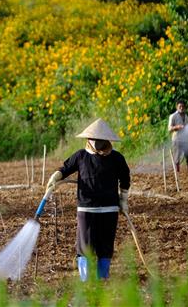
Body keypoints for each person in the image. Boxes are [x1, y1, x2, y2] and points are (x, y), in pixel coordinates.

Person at [45, 118, 130, 281]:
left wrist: (123, 199)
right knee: (85, 244)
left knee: (105, 244)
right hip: (86, 209)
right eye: (94, 139)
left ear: (107, 141)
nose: (96, 142)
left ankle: (102, 277)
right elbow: (66, 168)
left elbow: (125, 178)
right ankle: (86, 279)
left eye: (100, 140)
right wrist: (55, 177)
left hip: (109, 209)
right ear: (88, 139)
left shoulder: (116, 158)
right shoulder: (81, 156)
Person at [168, 100, 188, 172]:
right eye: (180, 106)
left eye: (183, 106)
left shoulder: (186, 116)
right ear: (177, 107)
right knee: (177, 158)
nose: (181, 108)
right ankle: (177, 174)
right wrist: (177, 127)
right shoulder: (173, 116)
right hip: (177, 140)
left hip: (185, 139)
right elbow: (169, 129)